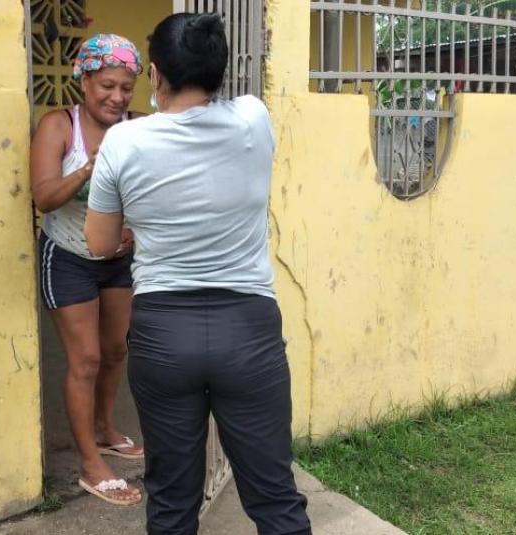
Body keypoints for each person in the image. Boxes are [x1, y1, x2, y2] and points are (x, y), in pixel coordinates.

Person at [83, 13, 312, 535]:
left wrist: (144, 225)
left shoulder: (124, 142)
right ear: (220, 71)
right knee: (275, 495)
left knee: (171, 500)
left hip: (164, 332)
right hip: (249, 330)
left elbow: (99, 243)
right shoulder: (255, 118)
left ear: (156, 73)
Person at [29, 33, 145, 506]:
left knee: (116, 351)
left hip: (118, 261)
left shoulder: (139, 128)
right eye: (107, 86)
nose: (117, 97)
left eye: (126, 88)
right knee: (86, 360)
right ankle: (89, 463)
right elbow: (43, 197)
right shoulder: (60, 126)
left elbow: (152, 196)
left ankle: (104, 427)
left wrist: (134, 231)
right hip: (69, 256)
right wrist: (85, 171)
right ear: (84, 80)